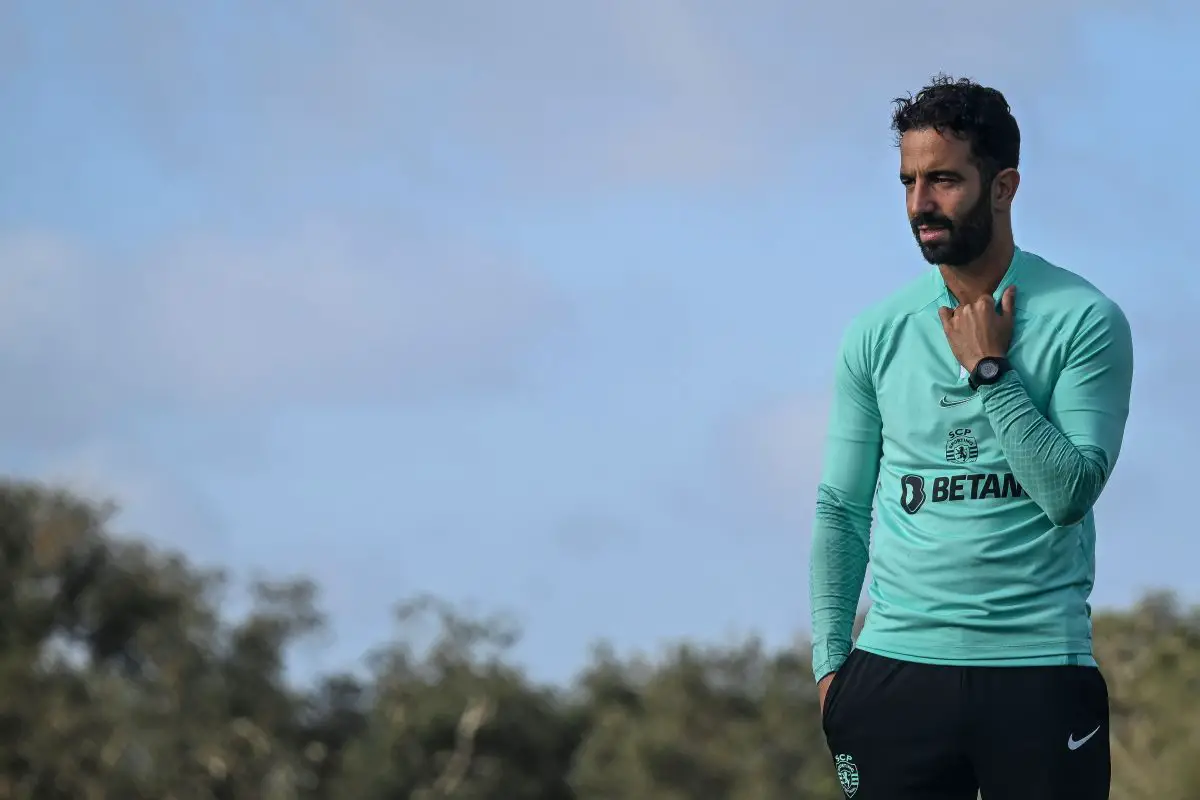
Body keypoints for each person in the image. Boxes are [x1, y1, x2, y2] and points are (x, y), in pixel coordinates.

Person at [809, 75, 1134, 800]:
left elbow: (1068, 493)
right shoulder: (876, 333)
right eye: (909, 182)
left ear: (1003, 186)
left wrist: (991, 371)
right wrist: (833, 668)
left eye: (945, 180)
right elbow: (840, 508)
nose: (920, 204)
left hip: (1039, 674)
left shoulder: (1085, 319)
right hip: (894, 677)